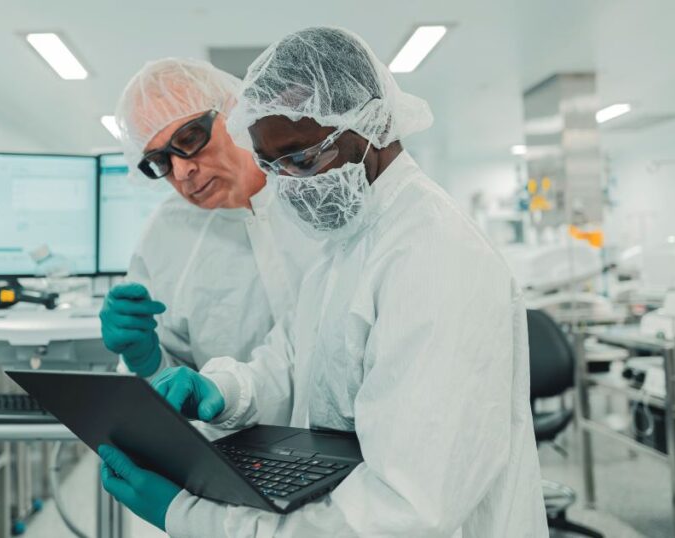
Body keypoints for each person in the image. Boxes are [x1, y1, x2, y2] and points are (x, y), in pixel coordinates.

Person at [98, 27, 548, 536]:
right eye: (272, 166)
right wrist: (223, 389)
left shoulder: (434, 257)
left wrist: (188, 516)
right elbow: (294, 360)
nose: (287, 187)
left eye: (303, 159)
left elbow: (403, 512)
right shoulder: (348, 237)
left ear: (372, 123)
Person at [99, 58, 320, 385]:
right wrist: (146, 360)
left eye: (189, 139)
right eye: (160, 161)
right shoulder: (166, 235)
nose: (180, 172)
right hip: (229, 433)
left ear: (233, 112)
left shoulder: (319, 194)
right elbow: (174, 383)